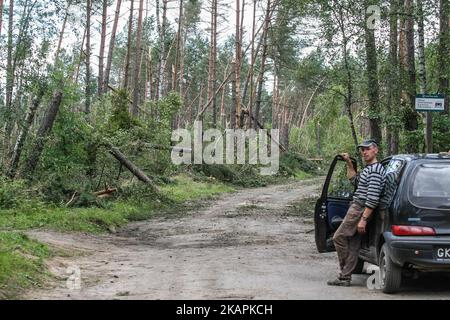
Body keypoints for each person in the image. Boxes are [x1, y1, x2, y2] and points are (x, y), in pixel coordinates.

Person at [327, 139, 386, 286]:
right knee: (353, 245)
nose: (364, 152)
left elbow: (372, 198)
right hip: (358, 207)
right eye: (362, 150)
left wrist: (364, 219)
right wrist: (348, 162)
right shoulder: (368, 169)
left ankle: (344, 270)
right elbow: (353, 179)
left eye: (367, 149)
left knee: (338, 237)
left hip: (360, 208)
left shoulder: (376, 171)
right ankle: (345, 278)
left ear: (375, 150)